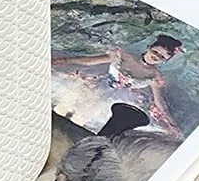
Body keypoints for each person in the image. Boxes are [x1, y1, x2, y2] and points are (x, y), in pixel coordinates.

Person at [50, 35, 185, 138]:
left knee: (86, 120)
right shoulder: (124, 56)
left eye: (162, 57)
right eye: (156, 52)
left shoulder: (155, 76)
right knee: (67, 105)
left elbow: (159, 102)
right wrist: (62, 61)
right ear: (150, 47)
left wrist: (172, 124)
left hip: (120, 99)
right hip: (98, 85)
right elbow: (89, 61)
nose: (156, 57)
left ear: (165, 61)